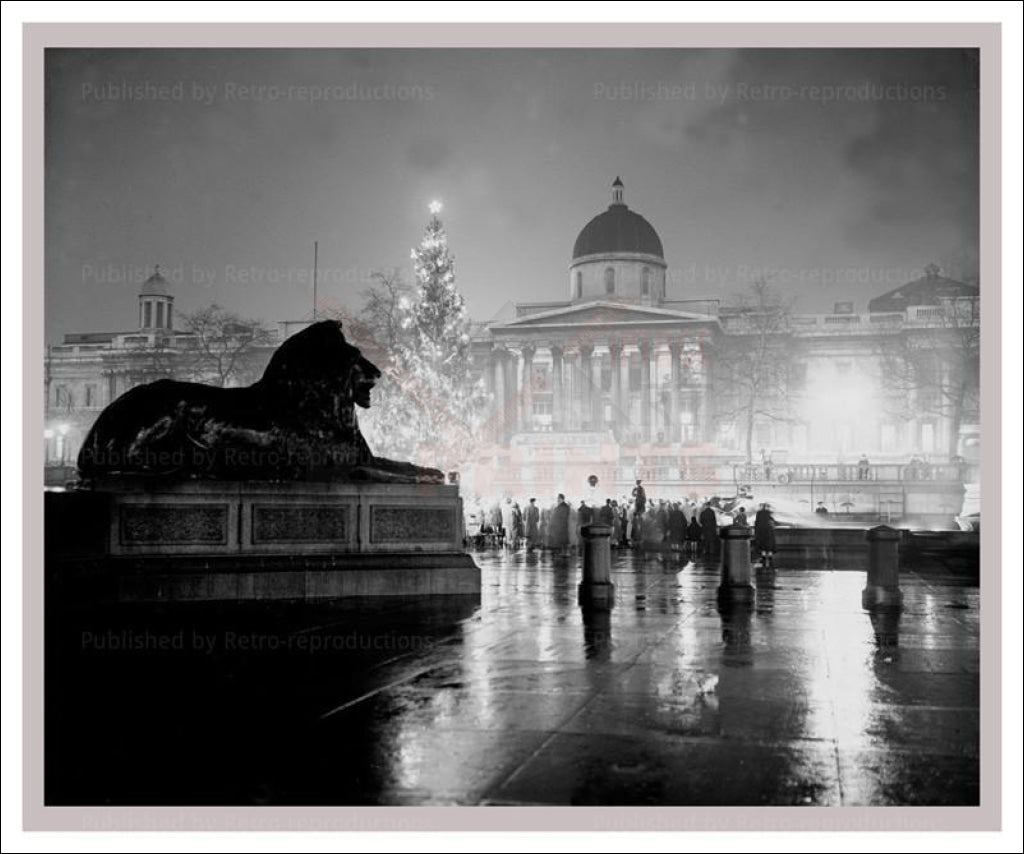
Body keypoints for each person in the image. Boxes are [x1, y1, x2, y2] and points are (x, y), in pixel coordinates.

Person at [754, 503, 776, 568]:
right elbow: (773, 525)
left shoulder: (759, 516)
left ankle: (763, 559)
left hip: (761, 534)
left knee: (762, 547)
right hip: (769, 534)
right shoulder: (769, 517)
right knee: (769, 547)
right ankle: (770, 560)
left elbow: (756, 525)